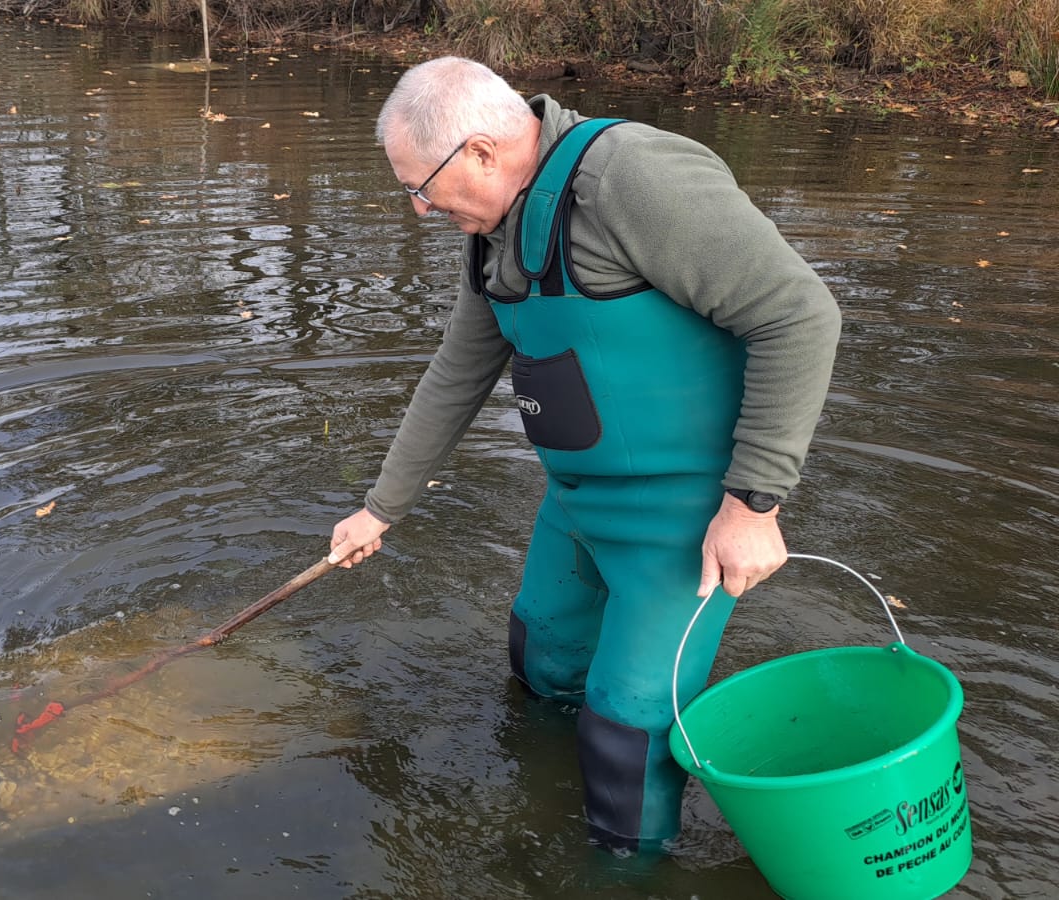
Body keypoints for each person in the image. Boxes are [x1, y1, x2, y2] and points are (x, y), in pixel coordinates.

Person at [326, 56, 842, 853]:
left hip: (682, 524)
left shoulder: (630, 178)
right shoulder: (493, 232)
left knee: (624, 737)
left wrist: (754, 505)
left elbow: (800, 314)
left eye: (421, 187)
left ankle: (626, 872)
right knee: (537, 666)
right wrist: (380, 509)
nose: (420, 208)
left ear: (481, 152)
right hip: (576, 502)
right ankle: (537, 805)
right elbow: (458, 372)